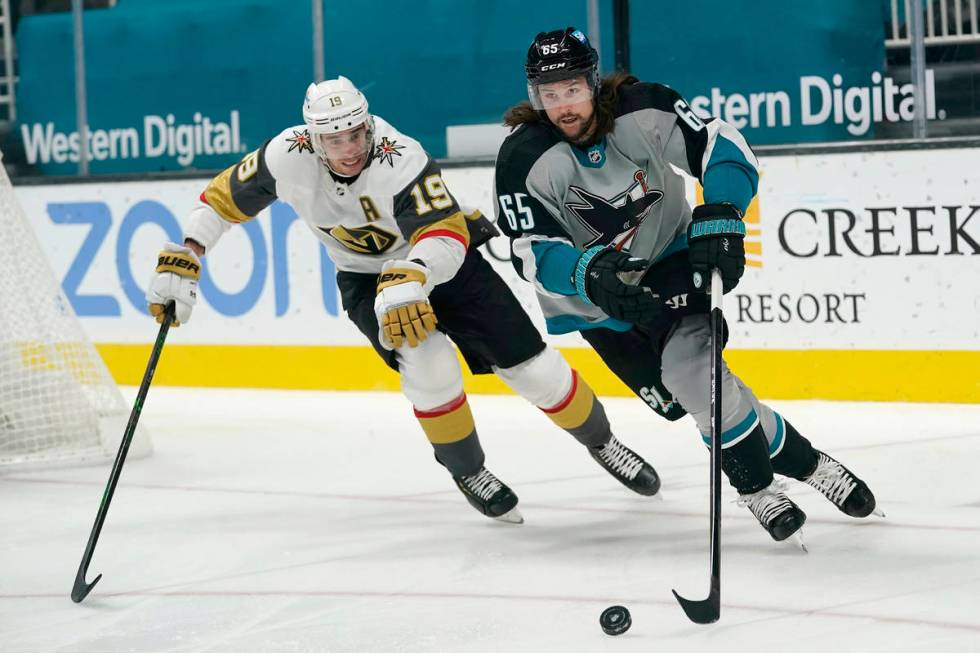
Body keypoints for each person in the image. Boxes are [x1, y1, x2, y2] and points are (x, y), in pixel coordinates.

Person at [146, 76, 664, 525]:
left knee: (532, 369)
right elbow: (220, 200)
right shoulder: (286, 154)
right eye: (334, 138)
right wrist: (190, 249)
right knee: (428, 360)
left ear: (368, 126)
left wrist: (413, 274)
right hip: (365, 280)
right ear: (312, 137)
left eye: (355, 133)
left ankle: (601, 440)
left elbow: (443, 232)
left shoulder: (400, 155)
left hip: (442, 266)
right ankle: (469, 471)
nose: (348, 148)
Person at [494, 28, 881, 543]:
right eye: (549, 94)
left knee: (694, 374)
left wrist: (721, 211)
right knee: (694, 398)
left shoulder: (643, 108)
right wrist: (584, 271)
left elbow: (724, 146)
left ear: (592, 82)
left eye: (572, 89)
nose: (562, 105)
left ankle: (758, 492)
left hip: (669, 258)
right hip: (595, 303)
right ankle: (809, 463)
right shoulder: (522, 157)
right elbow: (528, 249)